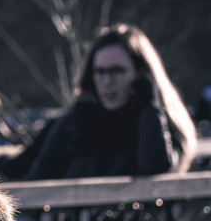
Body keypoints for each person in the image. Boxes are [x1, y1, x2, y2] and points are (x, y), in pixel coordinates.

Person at [25, 23, 197, 180]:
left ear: (142, 73)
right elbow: (37, 179)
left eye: (117, 71)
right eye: (100, 72)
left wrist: (149, 105)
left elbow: (157, 169)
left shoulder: (162, 124)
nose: (107, 82)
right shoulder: (74, 122)